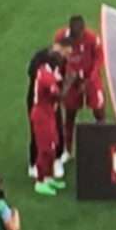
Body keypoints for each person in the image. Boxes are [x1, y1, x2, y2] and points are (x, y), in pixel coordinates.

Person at [54, 15, 105, 164]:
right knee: (70, 113)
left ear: (83, 30)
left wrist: (89, 80)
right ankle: (67, 150)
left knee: (99, 110)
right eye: (75, 35)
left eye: (80, 34)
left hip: (90, 79)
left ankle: (104, 143)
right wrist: (62, 79)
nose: (77, 38)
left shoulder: (92, 38)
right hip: (71, 80)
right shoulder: (61, 36)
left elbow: (98, 59)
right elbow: (58, 57)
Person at [27, 38, 72, 179]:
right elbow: (33, 73)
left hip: (51, 104)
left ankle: (56, 160)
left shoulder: (60, 62)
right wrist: (68, 82)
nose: (65, 57)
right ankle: (35, 165)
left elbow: (62, 77)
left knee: (57, 131)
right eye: (65, 52)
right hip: (39, 104)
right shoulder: (43, 65)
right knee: (38, 134)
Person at [30, 51, 67, 196]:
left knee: (53, 144)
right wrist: (69, 81)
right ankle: (40, 181)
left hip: (47, 113)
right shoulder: (46, 78)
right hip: (42, 115)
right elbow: (59, 96)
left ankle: (48, 176)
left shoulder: (44, 70)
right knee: (46, 148)